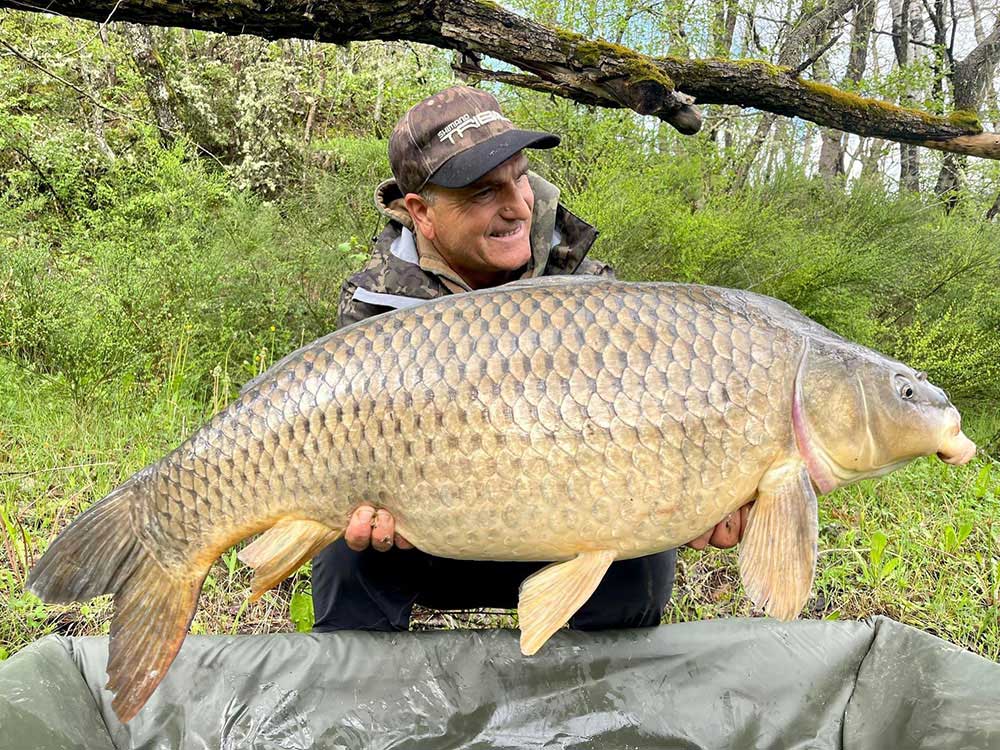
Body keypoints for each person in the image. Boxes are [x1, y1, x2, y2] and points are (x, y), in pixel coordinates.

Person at [311, 85, 750, 633]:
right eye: (482, 192)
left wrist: (697, 495)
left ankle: (582, 702)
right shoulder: (376, 304)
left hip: (562, 532)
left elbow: (649, 426)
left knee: (644, 564)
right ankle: (364, 706)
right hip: (430, 533)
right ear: (422, 212)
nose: (517, 205)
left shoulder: (589, 292)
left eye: (519, 176)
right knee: (343, 552)